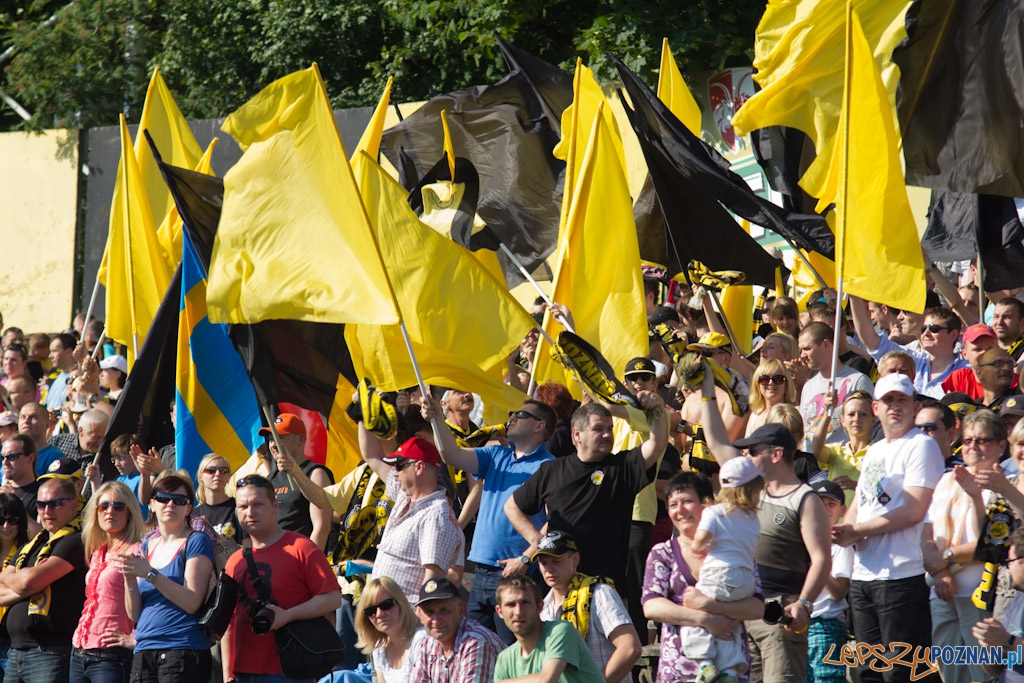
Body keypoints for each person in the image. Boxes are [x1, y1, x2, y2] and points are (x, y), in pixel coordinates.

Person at [699, 360, 832, 682]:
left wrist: (804, 603)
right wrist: (706, 390)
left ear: (775, 454)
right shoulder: (749, 488)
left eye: (753, 450)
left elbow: (822, 559)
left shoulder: (805, 498)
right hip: (743, 610)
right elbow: (716, 439)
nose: (745, 456)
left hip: (782, 614)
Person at [832, 373, 944, 683]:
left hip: (902, 576)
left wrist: (859, 531)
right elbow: (861, 503)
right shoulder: (876, 449)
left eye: (902, 399)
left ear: (915, 405)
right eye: (888, 400)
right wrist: (845, 529)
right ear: (876, 407)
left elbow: (913, 510)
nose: (895, 406)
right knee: (868, 672)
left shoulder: (922, 446)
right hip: (864, 573)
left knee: (904, 672)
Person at [426, 397, 556, 644]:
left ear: (540, 426)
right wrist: (436, 419)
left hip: (517, 573)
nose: (512, 417)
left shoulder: (549, 466)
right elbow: (450, 454)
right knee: (476, 651)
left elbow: (555, 519)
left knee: (512, 653)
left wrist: (526, 557)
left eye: (521, 414)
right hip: (480, 570)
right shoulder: (496, 454)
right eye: (513, 412)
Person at [505, 395, 668, 592]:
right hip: (558, 587)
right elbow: (512, 506)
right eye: (598, 429)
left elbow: (657, 443)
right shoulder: (552, 470)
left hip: (605, 587)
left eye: (610, 429)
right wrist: (537, 542)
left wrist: (658, 408)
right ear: (576, 435)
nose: (607, 435)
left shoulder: (623, 467)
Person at [642, 472, 765, 683]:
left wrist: (709, 606)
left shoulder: (735, 549)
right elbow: (652, 606)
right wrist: (705, 620)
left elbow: (757, 607)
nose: (679, 510)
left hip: (732, 671)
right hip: (680, 672)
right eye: (672, 504)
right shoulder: (663, 553)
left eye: (687, 501)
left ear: (708, 505)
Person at [221, 474, 341, 683]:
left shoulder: (301, 547)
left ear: (275, 506)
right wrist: (228, 673)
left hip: (289, 670)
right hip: (243, 673)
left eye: (258, 504)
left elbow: (332, 598)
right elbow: (229, 620)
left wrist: (289, 615)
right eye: (243, 507)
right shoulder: (234, 561)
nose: (250, 513)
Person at [921, 409, 1003, 683]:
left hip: (979, 594)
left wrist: (944, 559)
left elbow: (989, 542)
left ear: (1000, 445)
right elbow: (927, 531)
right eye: (967, 440)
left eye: (981, 440)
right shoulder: (947, 478)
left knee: (983, 673)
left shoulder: (1004, 484)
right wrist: (941, 573)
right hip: (943, 592)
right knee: (951, 675)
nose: (973, 446)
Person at [114, 472, 215, 683]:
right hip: (144, 649)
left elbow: (191, 602)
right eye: (162, 498)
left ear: (188, 508)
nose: (170, 504)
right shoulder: (145, 547)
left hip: (183, 649)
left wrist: (149, 574)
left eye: (179, 501)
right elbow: (134, 614)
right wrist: (130, 579)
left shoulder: (196, 541)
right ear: (152, 504)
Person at [681, 457, 764, 683]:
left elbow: (701, 540)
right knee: (728, 622)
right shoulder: (754, 518)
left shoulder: (715, 512)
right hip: (746, 581)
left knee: (694, 613)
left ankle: (706, 664)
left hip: (719, 574)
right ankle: (728, 671)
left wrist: (698, 547)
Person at [0, 477, 87, 683]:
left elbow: (26, 582)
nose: (47, 510)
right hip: (16, 651)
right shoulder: (33, 544)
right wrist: (26, 582)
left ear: (74, 503)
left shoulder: (76, 540)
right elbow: (11, 584)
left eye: (55, 503)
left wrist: (25, 581)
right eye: (41, 504)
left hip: (50, 651)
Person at [532, 531, 640, 683]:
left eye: (556, 561)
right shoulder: (542, 609)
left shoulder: (599, 593)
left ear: (575, 560)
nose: (549, 568)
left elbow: (630, 648)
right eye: (544, 562)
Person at [369, 436, 464, 601]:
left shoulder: (436, 515)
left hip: (406, 620)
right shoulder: (404, 495)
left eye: (399, 466)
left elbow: (432, 582)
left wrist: (413, 620)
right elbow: (372, 456)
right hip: (387, 614)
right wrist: (363, 416)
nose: (395, 472)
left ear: (419, 467)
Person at [71, 481, 147, 683]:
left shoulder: (138, 551)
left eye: (118, 506)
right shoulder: (97, 552)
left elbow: (151, 600)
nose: (110, 511)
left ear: (129, 512)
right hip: (79, 650)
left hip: (111, 656)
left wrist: (136, 639)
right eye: (103, 506)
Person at [850, 297, 968, 399]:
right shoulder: (912, 360)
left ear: (953, 334)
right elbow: (871, 340)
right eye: (923, 328)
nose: (926, 333)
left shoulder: (966, 371)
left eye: (934, 328)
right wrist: (853, 296)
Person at [493, 576, 604, 682]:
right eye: (511, 605)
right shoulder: (504, 659)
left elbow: (546, 680)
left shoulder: (561, 631)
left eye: (525, 603)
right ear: (500, 611)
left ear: (540, 606)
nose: (518, 612)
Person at [407, 577, 505, 683]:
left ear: (461, 610)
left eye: (443, 610)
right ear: (420, 615)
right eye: (429, 612)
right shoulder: (428, 643)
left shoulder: (476, 641)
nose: (435, 620)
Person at [804, 480, 853, 683]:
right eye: (819, 504)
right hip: (798, 624)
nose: (824, 509)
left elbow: (839, 591)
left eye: (831, 504)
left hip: (826, 626)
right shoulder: (800, 540)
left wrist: (816, 565)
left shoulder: (842, 545)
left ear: (843, 510)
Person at [797, 321, 873, 449]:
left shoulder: (858, 381)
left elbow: (870, 427)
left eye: (807, 349)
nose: (802, 355)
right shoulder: (808, 386)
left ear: (826, 344)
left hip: (840, 463)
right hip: (809, 462)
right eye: (801, 350)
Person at [265, 414, 333, 551]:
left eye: (280, 438)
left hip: (302, 556)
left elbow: (321, 527)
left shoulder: (315, 473)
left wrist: (308, 564)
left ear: (301, 440)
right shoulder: (270, 478)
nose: (273, 444)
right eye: (271, 439)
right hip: (276, 555)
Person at [972, 526, 1024, 681]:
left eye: (1010, 561)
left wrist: (1007, 642)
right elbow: (994, 669)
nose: (1008, 567)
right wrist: (991, 648)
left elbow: (1009, 642)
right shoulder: (1017, 599)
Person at [353, 577, 426, 683]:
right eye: (371, 610)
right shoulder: (379, 647)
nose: (379, 614)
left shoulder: (421, 640)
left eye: (386, 605)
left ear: (401, 604)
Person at [811, 390, 875, 506]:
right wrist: (828, 413)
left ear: (873, 420)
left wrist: (856, 486)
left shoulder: (878, 452)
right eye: (851, 414)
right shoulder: (836, 451)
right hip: (835, 522)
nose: (856, 419)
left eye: (863, 414)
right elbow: (816, 449)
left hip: (862, 522)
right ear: (843, 421)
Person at [0, 494, 28, 673]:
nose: (6, 526)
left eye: (13, 520)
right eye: (1, 520)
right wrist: (20, 592)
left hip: (11, 639)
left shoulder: (28, 552)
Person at [193, 454, 245, 544]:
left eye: (223, 470)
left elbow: (248, 548)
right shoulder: (194, 514)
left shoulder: (240, 507)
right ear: (201, 477)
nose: (218, 474)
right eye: (211, 470)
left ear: (228, 477)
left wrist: (214, 534)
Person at [0, 435, 40, 537]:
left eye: (12, 457)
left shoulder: (42, 493)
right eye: (2, 457)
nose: (5, 462)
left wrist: (18, 504)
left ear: (31, 458)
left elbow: (42, 536)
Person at [746, 360, 797, 437]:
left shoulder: (796, 413)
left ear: (786, 384)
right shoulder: (755, 415)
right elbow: (746, 448)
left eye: (778, 379)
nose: (771, 383)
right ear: (757, 385)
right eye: (764, 379)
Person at [17, 403, 62, 476]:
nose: (26, 421)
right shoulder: (9, 454)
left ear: (47, 424)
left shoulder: (55, 457)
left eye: (33, 417)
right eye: (23, 417)